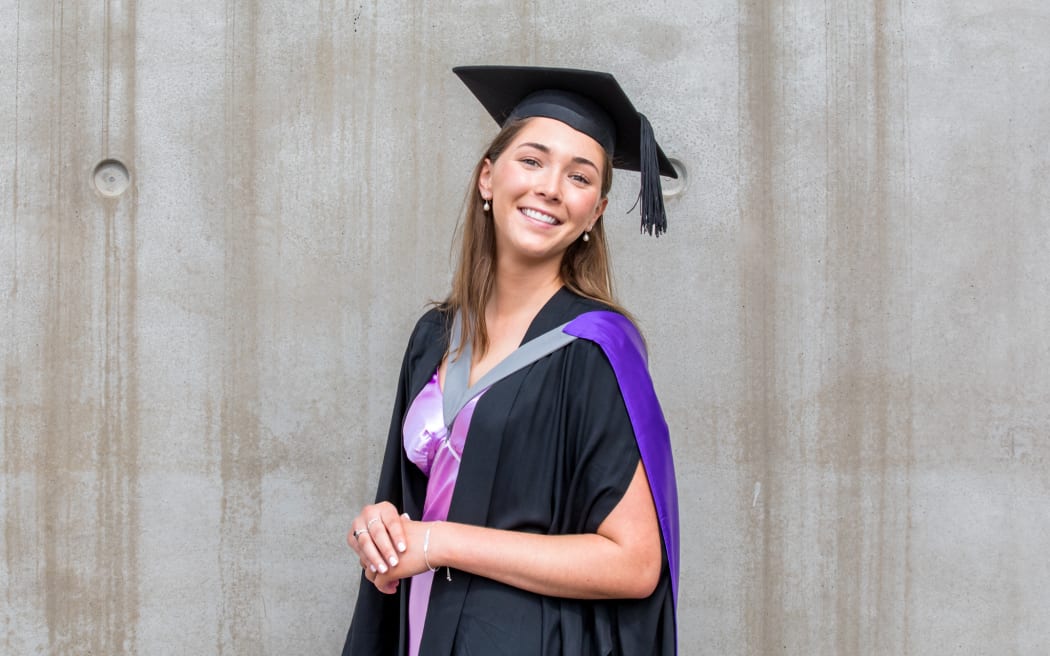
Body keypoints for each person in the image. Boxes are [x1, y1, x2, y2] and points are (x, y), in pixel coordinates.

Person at [342, 65, 680, 656]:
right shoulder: (435, 336)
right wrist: (384, 534)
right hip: (424, 630)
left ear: (594, 214)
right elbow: (412, 505)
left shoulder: (595, 350)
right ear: (487, 178)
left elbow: (634, 563)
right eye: (532, 160)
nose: (550, 187)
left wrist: (438, 543)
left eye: (579, 176)